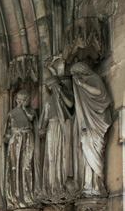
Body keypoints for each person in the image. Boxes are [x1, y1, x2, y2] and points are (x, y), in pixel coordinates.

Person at [70, 61, 111, 197]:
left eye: (77, 73)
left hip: (96, 120)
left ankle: (97, 185)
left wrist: (82, 85)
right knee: (86, 148)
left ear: (82, 70)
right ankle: (89, 184)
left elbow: (100, 93)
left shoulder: (94, 79)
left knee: (95, 149)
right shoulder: (81, 85)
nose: (76, 77)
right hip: (87, 123)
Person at [39, 76, 74, 201]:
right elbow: (44, 118)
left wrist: (60, 93)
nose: (53, 88)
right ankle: (53, 186)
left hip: (64, 126)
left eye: (55, 85)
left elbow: (70, 104)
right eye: (50, 86)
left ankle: (64, 184)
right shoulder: (49, 101)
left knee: (63, 154)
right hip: (52, 127)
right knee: (52, 156)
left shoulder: (66, 95)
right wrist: (42, 128)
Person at [2, 89, 37, 209]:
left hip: (27, 138)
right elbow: (7, 130)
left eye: (24, 100)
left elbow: (31, 118)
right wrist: (7, 137)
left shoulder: (30, 111)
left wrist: (24, 109)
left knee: (27, 165)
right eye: (20, 99)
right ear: (16, 99)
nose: (21, 102)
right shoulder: (12, 113)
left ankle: (28, 195)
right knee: (15, 167)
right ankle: (15, 196)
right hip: (15, 139)